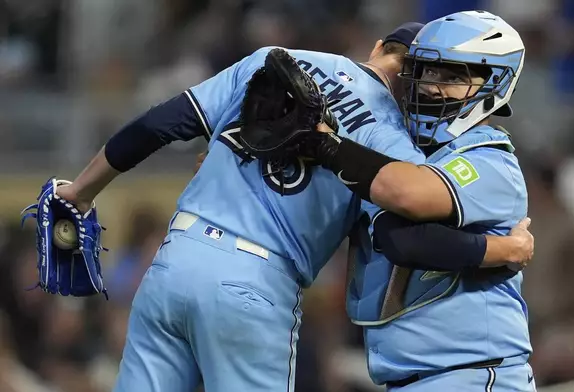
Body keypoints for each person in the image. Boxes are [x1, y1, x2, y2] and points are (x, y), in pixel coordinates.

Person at [54, 23, 532, 392]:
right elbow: (403, 238)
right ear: (415, 77)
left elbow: (160, 124)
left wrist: (80, 192)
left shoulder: (278, 61)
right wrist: (500, 249)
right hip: (255, 286)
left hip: (173, 260)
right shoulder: (393, 146)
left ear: (378, 47)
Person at [296, 11, 535, 391]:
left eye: (453, 76)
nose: (430, 86)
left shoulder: (490, 160)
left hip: (471, 373)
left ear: (495, 82)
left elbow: (403, 238)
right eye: (426, 71)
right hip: (415, 377)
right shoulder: (405, 154)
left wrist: (326, 145)